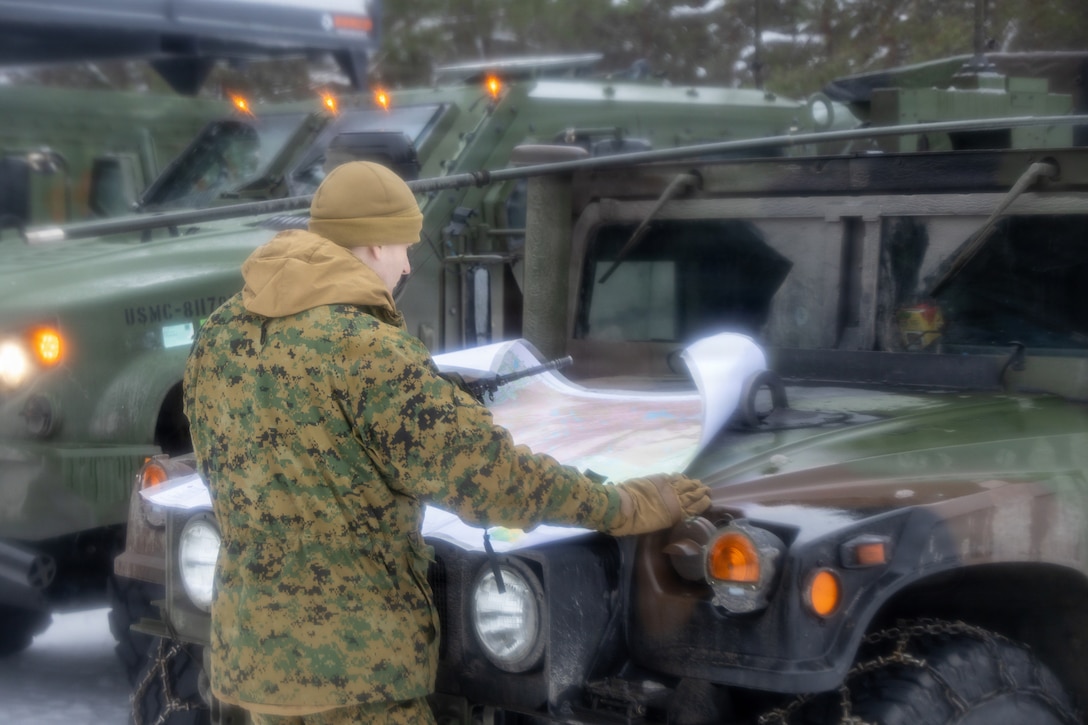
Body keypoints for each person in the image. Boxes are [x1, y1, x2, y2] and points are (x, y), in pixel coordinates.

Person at [182, 161, 711, 725]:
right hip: (357, 678)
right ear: (374, 242)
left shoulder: (221, 334)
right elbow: (495, 483)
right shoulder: (367, 351)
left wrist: (426, 395)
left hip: (254, 662)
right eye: (404, 247)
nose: (408, 264)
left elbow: (269, 446)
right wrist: (625, 505)